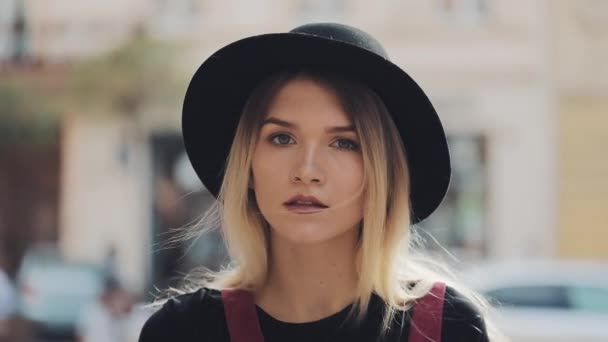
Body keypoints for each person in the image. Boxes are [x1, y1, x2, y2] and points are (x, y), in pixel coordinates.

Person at [139, 23, 505, 341]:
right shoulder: (182, 331)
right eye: (282, 138)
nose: (307, 170)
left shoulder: (446, 327)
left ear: (382, 173)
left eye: (344, 143)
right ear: (247, 164)